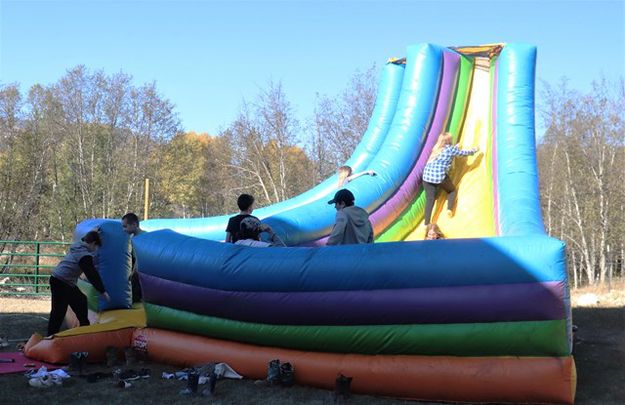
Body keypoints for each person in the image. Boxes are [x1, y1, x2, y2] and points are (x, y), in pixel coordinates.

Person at [47, 230, 110, 336]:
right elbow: (91, 274)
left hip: (64, 281)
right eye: (95, 247)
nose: (95, 250)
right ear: (93, 243)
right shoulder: (84, 255)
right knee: (59, 312)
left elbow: (85, 237)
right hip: (60, 282)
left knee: (81, 300)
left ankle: (84, 328)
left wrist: (95, 231)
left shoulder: (79, 245)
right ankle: (50, 336)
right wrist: (103, 292)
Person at [422, 132, 479, 225]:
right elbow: (463, 153)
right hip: (439, 177)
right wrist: (474, 150)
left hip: (426, 177)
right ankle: (449, 209)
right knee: (452, 191)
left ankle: (426, 223)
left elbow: (448, 152)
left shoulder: (436, 148)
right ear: (449, 141)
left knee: (430, 199)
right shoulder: (450, 149)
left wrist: (455, 147)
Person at [122, 212, 145, 303]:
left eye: (125, 226)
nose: (123, 229)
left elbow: (140, 258)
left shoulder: (143, 237)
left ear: (134, 225)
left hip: (141, 267)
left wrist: (133, 272)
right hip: (136, 264)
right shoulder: (133, 238)